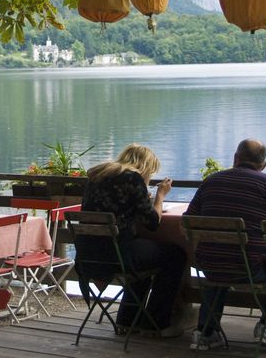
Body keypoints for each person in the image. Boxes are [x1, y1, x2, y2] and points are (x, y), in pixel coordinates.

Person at [184, 138, 266, 351]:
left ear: (236, 158)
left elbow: (187, 223)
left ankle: (206, 331)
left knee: (220, 268)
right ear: (262, 165)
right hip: (250, 269)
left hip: (208, 265)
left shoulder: (211, 181)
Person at [75, 143, 186, 338]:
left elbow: (112, 206)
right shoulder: (132, 178)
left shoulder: (98, 175)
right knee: (175, 255)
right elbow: (152, 222)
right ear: (144, 166)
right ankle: (157, 323)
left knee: (142, 255)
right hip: (117, 255)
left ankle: (127, 320)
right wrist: (160, 195)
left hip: (88, 254)